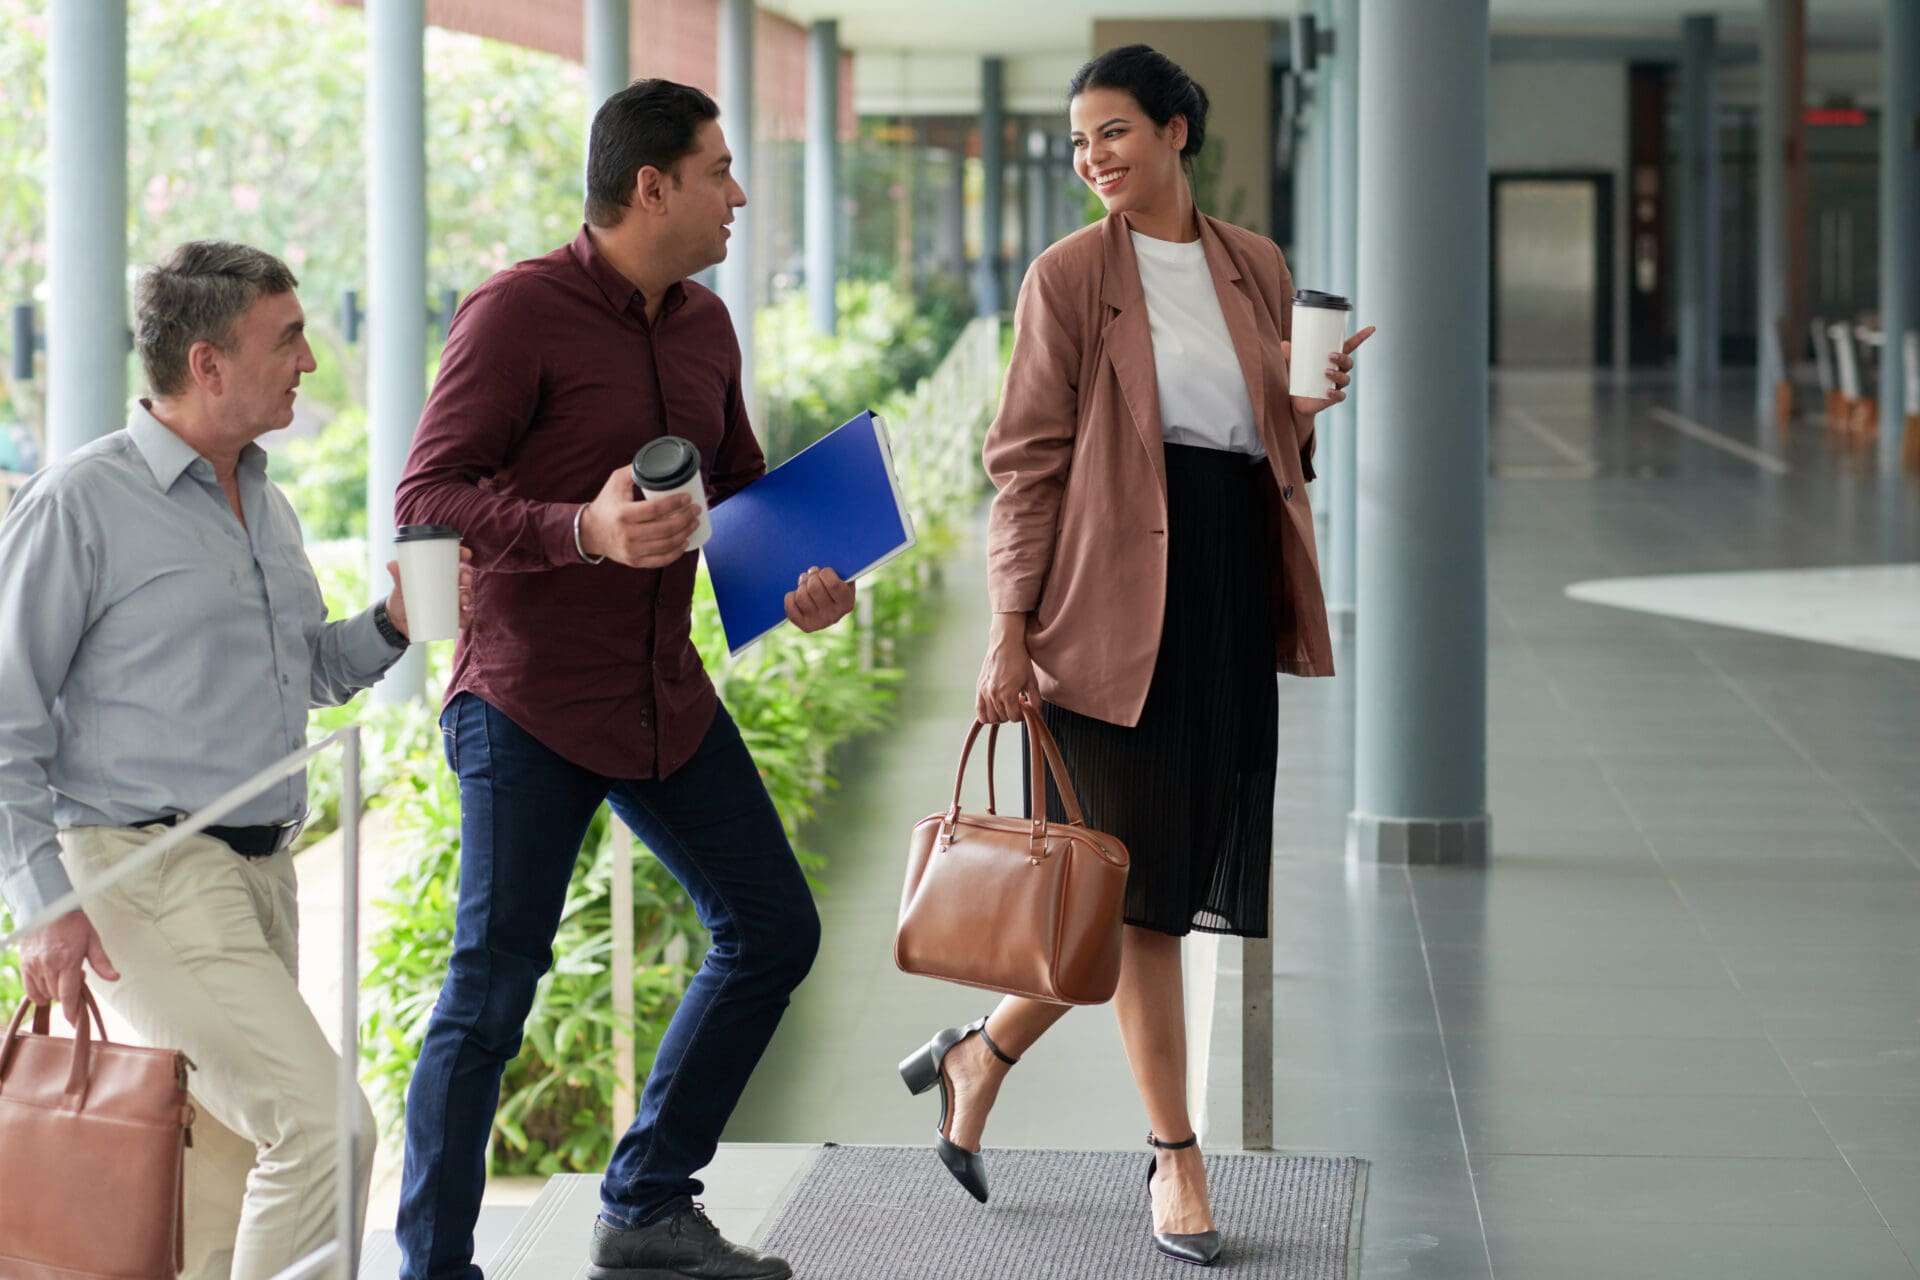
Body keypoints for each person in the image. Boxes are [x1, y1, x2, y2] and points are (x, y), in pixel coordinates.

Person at [900, 45, 1373, 1266]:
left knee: (1143, 885)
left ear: (1176, 133)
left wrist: (1300, 409)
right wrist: (1008, 626)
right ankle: (1176, 1157)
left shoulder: (1253, 265)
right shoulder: (1069, 277)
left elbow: (1264, 445)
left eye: (1113, 132)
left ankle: (977, 1052)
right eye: (1077, 141)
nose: (1092, 157)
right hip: (1107, 602)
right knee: (1141, 895)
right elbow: (1025, 461)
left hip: (1222, 589)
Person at [391, 78, 854, 1280]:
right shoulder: (514, 312)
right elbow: (425, 500)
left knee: (772, 930)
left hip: (664, 693)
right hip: (527, 701)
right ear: (651, 188)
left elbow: (741, 490)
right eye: (719, 170)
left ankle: (645, 1204)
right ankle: (433, 1268)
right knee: (489, 996)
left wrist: (799, 580)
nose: (737, 192)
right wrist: (581, 531)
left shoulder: (705, 324)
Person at [0, 240, 470, 1280]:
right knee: (324, 1130)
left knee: (229, 1173)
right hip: (147, 870)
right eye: (288, 337)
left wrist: (393, 623)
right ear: (208, 362)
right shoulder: (79, 501)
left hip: (263, 872)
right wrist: (41, 903)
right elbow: (5, 722)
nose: (308, 360)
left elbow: (304, 670)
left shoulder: (266, 500)